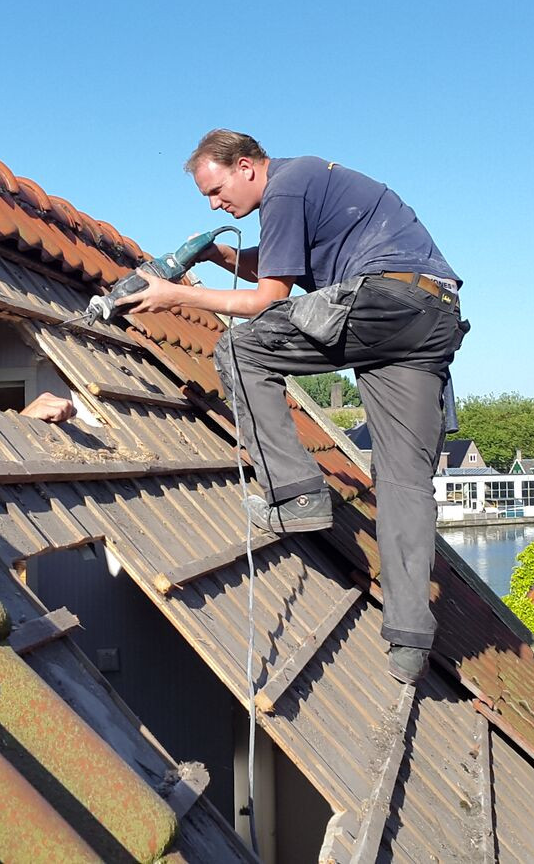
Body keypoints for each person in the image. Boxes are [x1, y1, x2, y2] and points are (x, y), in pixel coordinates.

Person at [121, 129, 468, 684]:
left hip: (383, 301)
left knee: (239, 348)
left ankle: (296, 494)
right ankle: (409, 644)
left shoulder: (286, 186)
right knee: (403, 482)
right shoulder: (310, 186)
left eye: (216, 190)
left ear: (246, 166)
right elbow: (275, 266)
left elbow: (268, 300)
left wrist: (175, 296)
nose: (215, 204)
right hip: (429, 317)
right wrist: (220, 255)